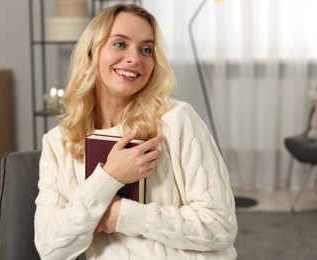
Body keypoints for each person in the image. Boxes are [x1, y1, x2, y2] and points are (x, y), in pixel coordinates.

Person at [34, 3, 237, 260]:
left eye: (146, 49)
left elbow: (220, 227)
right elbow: (49, 249)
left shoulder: (177, 120)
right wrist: (109, 177)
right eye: (120, 44)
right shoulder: (59, 142)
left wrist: (123, 215)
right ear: (90, 53)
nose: (134, 58)